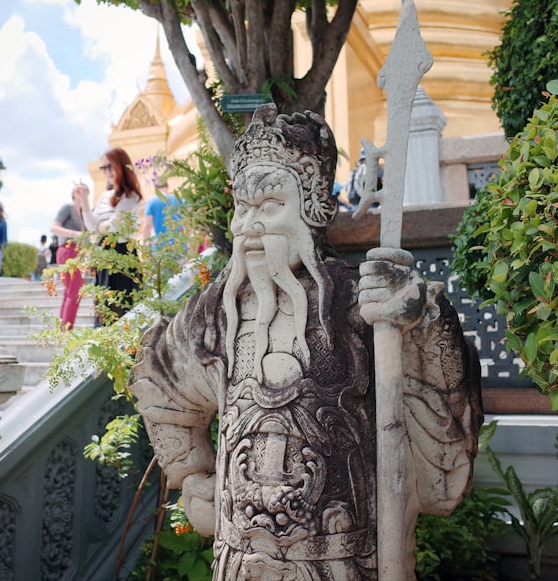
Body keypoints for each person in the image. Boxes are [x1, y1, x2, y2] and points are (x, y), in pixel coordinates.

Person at [128, 106, 482, 579]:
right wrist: (193, 475)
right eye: (243, 207)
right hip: (240, 559)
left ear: (312, 207)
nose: (250, 225)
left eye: (271, 204)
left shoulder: (362, 304)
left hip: (342, 558)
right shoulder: (214, 313)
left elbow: (437, 405)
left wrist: (417, 322)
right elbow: (160, 382)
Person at [74, 147, 143, 324]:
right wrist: (84, 202)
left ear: (121, 166)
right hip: (103, 254)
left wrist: (99, 226)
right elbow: (93, 227)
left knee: (122, 310)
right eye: (104, 168)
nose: (107, 172)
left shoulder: (131, 196)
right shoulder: (105, 196)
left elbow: (113, 227)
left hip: (122, 254)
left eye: (110, 166)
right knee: (103, 308)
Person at [50, 187, 86, 331]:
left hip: (76, 253)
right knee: (74, 290)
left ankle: (64, 327)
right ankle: (66, 328)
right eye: (84, 191)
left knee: (71, 290)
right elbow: (53, 227)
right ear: (76, 193)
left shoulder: (82, 214)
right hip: (67, 249)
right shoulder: (67, 208)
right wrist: (74, 234)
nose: (86, 194)